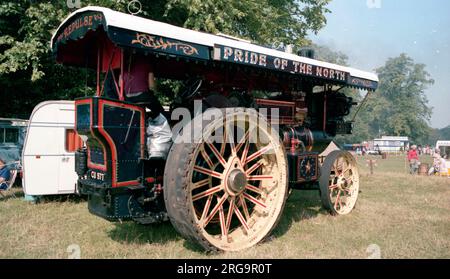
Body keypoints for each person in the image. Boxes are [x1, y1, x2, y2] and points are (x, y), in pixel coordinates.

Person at [121, 55, 172, 159]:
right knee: (162, 113)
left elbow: (119, 83)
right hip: (143, 96)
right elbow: (152, 85)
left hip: (128, 99)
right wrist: (156, 90)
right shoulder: (147, 64)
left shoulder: (125, 66)